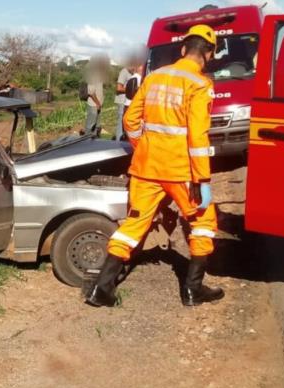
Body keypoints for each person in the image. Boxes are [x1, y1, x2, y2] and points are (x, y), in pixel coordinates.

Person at [85, 25, 223, 308]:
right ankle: (192, 290)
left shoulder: (155, 76)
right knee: (202, 223)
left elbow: (130, 120)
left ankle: (102, 288)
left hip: (146, 168)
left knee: (134, 224)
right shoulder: (199, 85)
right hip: (181, 171)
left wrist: (142, 147)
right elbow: (197, 137)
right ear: (208, 54)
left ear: (183, 49)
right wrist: (203, 180)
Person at [83, 55, 107, 136]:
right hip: (94, 104)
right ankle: (86, 141)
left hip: (98, 105)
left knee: (97, 125)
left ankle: (94, 141)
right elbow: (91, 92)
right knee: (90, 125)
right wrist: (97, 103)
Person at [114, 58, 137, 140]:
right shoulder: (124, 72)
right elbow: (119, 88)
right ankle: (118, 141)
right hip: (122, 101)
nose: (135, 68)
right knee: (121, 122)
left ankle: (123, 139)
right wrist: (131, 89)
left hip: (127, 102)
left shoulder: (132, 73)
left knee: (126, 121)